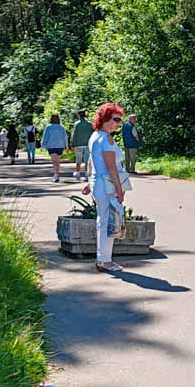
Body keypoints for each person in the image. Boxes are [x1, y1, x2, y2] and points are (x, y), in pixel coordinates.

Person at [82, 102, 128, 272]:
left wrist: (89, 182)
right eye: (116, 119)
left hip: (98, 183)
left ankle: (103, 259)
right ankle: (105, 261)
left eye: (120, 120)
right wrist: (119, 189)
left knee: (103, 221)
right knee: (109, 221)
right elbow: (111, 167)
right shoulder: (107, 138)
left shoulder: (95, 136)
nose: (118, 123)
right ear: (106, 119)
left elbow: (91, 162)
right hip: (107, 184)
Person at [40, 113, 69, 183]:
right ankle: (57, 174)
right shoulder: (61, 127)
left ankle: (56, 175)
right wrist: (67, 146)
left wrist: (43, 145)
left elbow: (45, 137)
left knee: (54, 161)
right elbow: (65, 137)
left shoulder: (48, 127)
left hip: (51, 146)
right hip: (60, 146)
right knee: (58, 161)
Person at [71, 110, 93, 181]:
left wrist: (73, 143)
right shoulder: (89, 124)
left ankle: (78, 173)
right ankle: (86, 174)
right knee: (87, 160)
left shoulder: (77, 124)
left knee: (78, 159)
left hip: (78, 144)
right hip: (87, 144)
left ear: (79, 115)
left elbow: (74, 134)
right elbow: (92, 134)